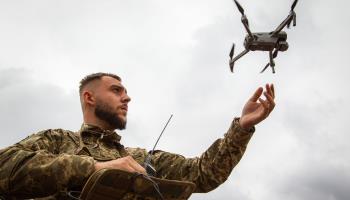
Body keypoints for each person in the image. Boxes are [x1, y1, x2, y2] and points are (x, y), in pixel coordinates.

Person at [0, 72, 275, 199]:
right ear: (89, 97)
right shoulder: (58, 140)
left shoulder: (141, 159)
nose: (127, 97)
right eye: (116, 90)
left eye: (125, 92)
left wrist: (241, 129)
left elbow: (202, 174)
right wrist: (94, 168)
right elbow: (4, 166)